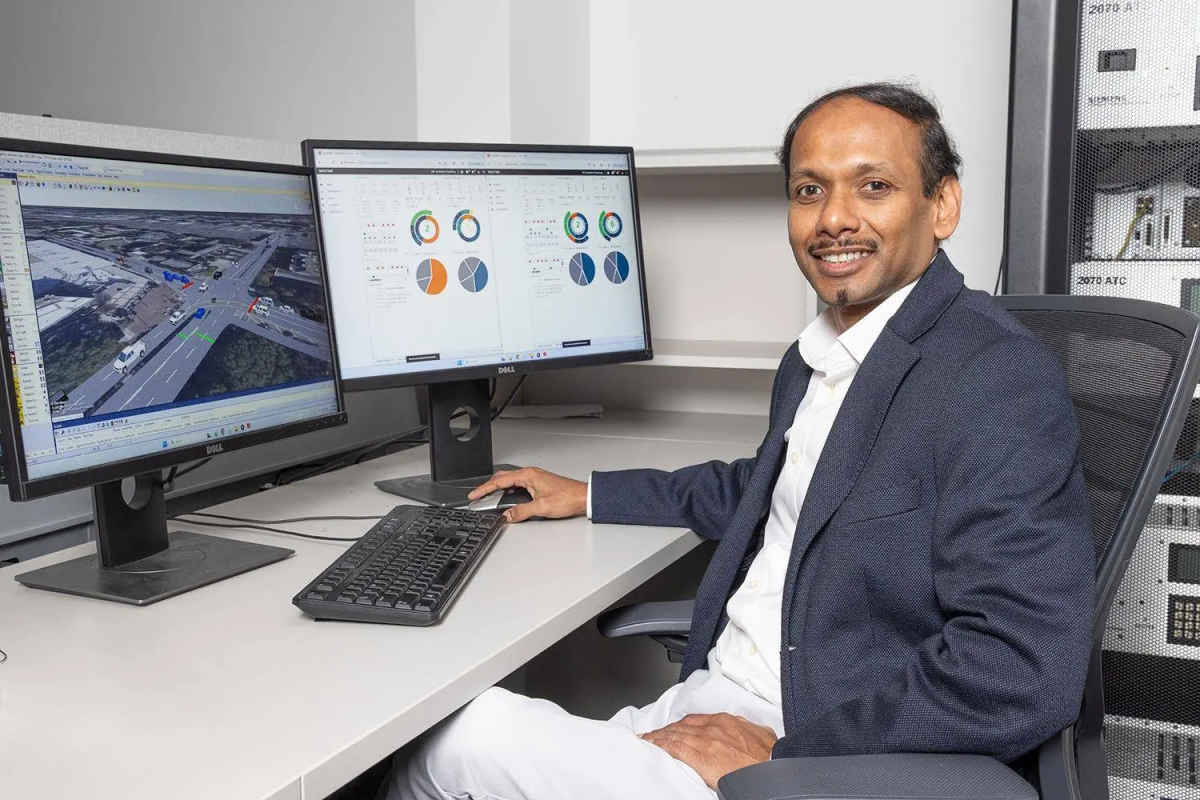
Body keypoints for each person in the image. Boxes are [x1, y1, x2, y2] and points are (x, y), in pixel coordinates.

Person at [382, 82, 1095, 800]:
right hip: (717, 706)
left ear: (942, 206)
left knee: (455, 744)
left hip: (814, 755)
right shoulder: (821, 354)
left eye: (872, 187)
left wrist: (784, 752)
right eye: (809, 190)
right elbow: (772, 486)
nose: (834, 219)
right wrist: (590, 493)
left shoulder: (995, 378)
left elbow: (1020, 667)